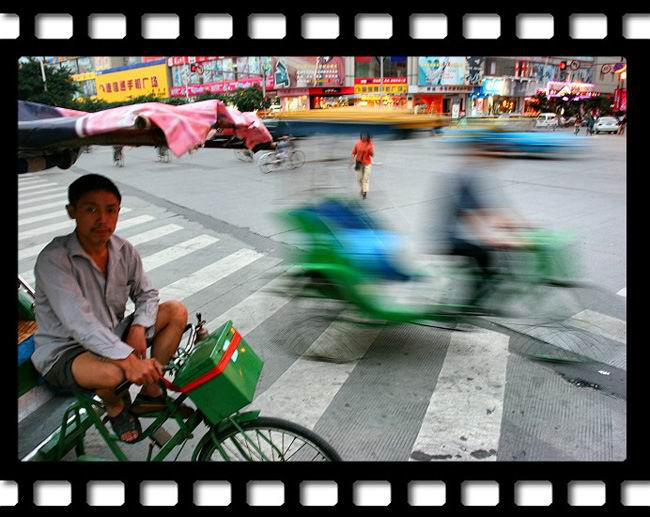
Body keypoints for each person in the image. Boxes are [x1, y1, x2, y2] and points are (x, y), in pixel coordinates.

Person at [31, 174, 189, 443]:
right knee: (115, 374)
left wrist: (138, 327)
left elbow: (147, 294)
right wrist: (128, 359)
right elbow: (79, 322)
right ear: (72, 211)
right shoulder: (54, 259)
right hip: (65, 351)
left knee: (175, 311)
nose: (103, 219)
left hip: (110, 335)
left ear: (118, 211)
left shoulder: (124, 250)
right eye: (91, 209)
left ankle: (151, 394)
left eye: (110, 210)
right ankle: (115, 405)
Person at [435, 137, 529, 310]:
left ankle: (477, 296)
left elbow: (490, 210)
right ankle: (470, 306)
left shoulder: (476, 175)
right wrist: (489, 238)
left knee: (491, 256)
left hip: (460, 234)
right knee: (484, 256)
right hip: (447, 237)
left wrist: (520, 225)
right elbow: (467, 214)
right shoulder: (464, 177)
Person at [351, 133, 375, 199]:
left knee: (365, 178)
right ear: (361, 137)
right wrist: (352, 161)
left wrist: (371, 151)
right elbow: (353, 153)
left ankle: (365, 192)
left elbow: (372, 155)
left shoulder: (369, 144)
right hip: (359, 163)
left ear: (367, 137)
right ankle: (362, 188)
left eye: (365, 136)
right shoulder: (357, 144)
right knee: (359, 179)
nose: (364, 137)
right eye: (363, 136)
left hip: (367, 164)